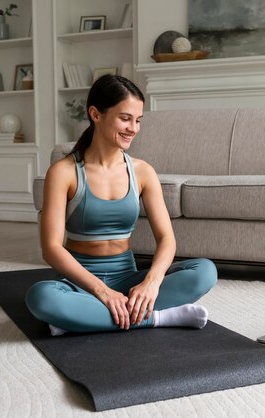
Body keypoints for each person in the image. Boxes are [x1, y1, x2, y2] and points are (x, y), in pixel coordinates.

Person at [25, 74, 217, 335]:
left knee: (205, 271)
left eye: (138, 120)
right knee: (41, 297)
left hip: (128, 280)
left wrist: (150, 282)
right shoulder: (64, 172)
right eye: (125, 118)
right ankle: (158, 318)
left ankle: (81, 320)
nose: (134, 128)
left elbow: (167, 239)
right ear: (95, 114)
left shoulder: (142, 171)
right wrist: (102, 292)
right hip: (80, 283)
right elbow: (51, 249)